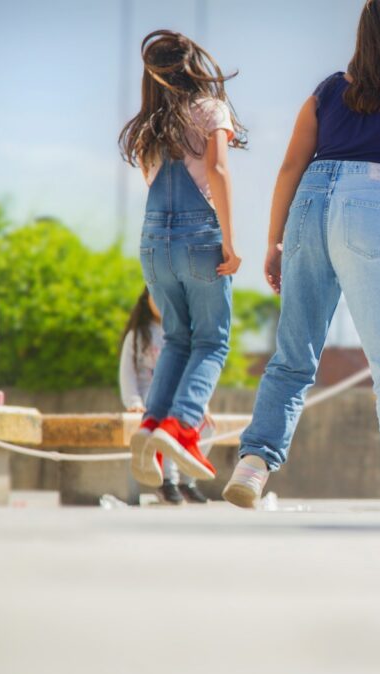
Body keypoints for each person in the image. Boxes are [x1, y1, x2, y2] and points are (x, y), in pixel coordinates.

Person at [222, 0, 380, 514]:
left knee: (293, 354)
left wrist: (274, 240)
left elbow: (290, 167)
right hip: (370, 203)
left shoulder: (327, 91)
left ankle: (252, 465)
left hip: (308, 202)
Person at [118, 29, 245, 488]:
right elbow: (218, 171)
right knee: (212, 341)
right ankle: (184, 425)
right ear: (194, 69)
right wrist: (229, 243)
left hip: (153, 247)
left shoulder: (148, 128)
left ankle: (152, 426)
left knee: (177, 338)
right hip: (198, 239)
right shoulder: (211, 109)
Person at [119, 287, 212, 504]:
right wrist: (133, 401)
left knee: (207, 426)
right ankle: (167, 481)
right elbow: (127, 372)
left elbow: (193, 374)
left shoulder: (183, 334)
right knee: (164, 427)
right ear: (146, 300)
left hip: (180, 401)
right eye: (156, 297)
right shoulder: (138, 334)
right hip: (149, 400)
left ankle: (187, 481)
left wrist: (202, 404)